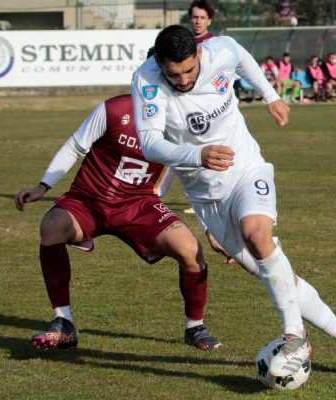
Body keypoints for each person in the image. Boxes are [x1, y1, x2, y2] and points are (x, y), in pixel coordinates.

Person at [131, 25, 336, 380]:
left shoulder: (220, 51)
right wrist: (197, 158)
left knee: (257, 233)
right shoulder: (147, 80)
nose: (183, 79)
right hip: (207, 197)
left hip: (247, 170)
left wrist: (270, 95)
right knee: (280, 278)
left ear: (200, 55)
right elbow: (150, 143)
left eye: (189, 70)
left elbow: (243, 58)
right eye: (174, 74)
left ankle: (294, 336)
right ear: (159, 64)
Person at [14, 94, 222, 351]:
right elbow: (75, 145)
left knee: (190, 250)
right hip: (88, 199)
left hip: (140, 205)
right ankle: (63, 322)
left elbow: (195, 182)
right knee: (51, 227)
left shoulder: (182, 124)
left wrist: (211, 229)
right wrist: (43, 186)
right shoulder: (115, 109)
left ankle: (195, 328)